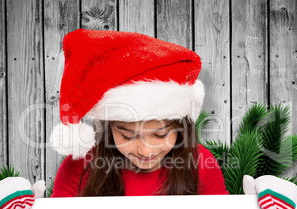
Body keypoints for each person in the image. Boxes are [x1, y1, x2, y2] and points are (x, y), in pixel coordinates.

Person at [49, 29, 229, 197]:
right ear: (108, 128)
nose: (146, 150)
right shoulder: (80, 166)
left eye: (160, 135)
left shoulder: (200, 162)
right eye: (127, 136)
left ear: (180, 128)